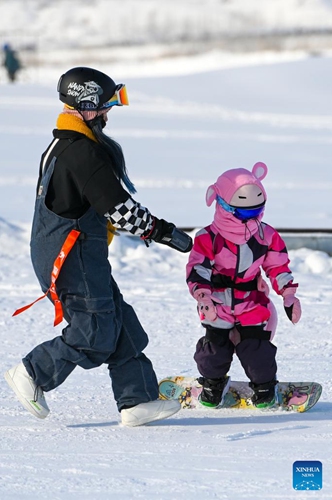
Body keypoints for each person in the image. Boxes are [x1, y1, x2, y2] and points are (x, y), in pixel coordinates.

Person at [5, 66, 193, 427]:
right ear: (87, 105)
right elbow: (119, 209)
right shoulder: (81, 154)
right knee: (93, 332)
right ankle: (32, 372)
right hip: (69, 257)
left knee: (120, 324)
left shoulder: (65, 144)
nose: (108, 114)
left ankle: (137, 400)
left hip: (78, 252)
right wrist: (163, 232)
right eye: (105, 106)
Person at [186, 162, 301, 409]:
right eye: (245, 213)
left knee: (257, 350)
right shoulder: (209, 237)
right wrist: (203, 296)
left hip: (252, 301)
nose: (252, 219)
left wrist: (288, 294)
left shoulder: (266, 235)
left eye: (257, 211)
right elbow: (198, 268)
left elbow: (278, 266)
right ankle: (213, 383)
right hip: (217, 302)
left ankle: (264, 386)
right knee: (214, 350)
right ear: (226, 208)